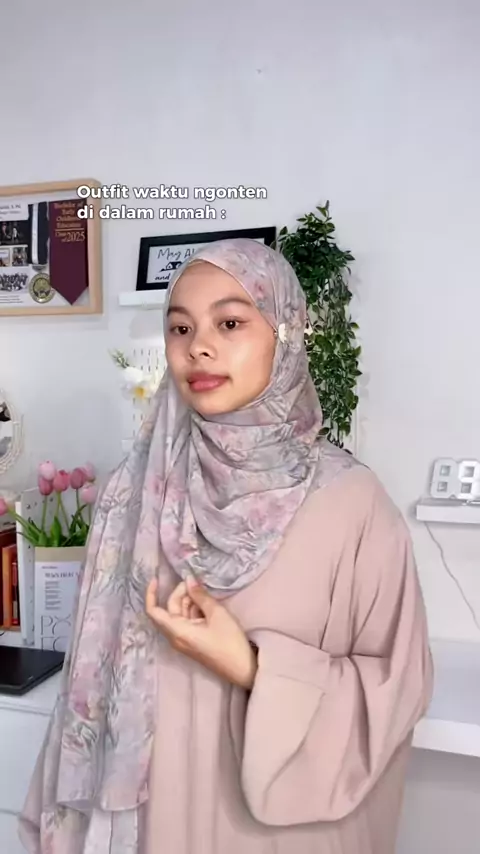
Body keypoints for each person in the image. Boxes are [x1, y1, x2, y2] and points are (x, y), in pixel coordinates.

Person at [18, 238, 433, 854]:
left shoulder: (352, 504)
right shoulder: (132, 491)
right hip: (148, 823)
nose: (199, 347)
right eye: (180, 328)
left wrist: (251, 666)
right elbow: (88, 683)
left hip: (274, 832)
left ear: (285, 335)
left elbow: (396, 688)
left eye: (230, 323)